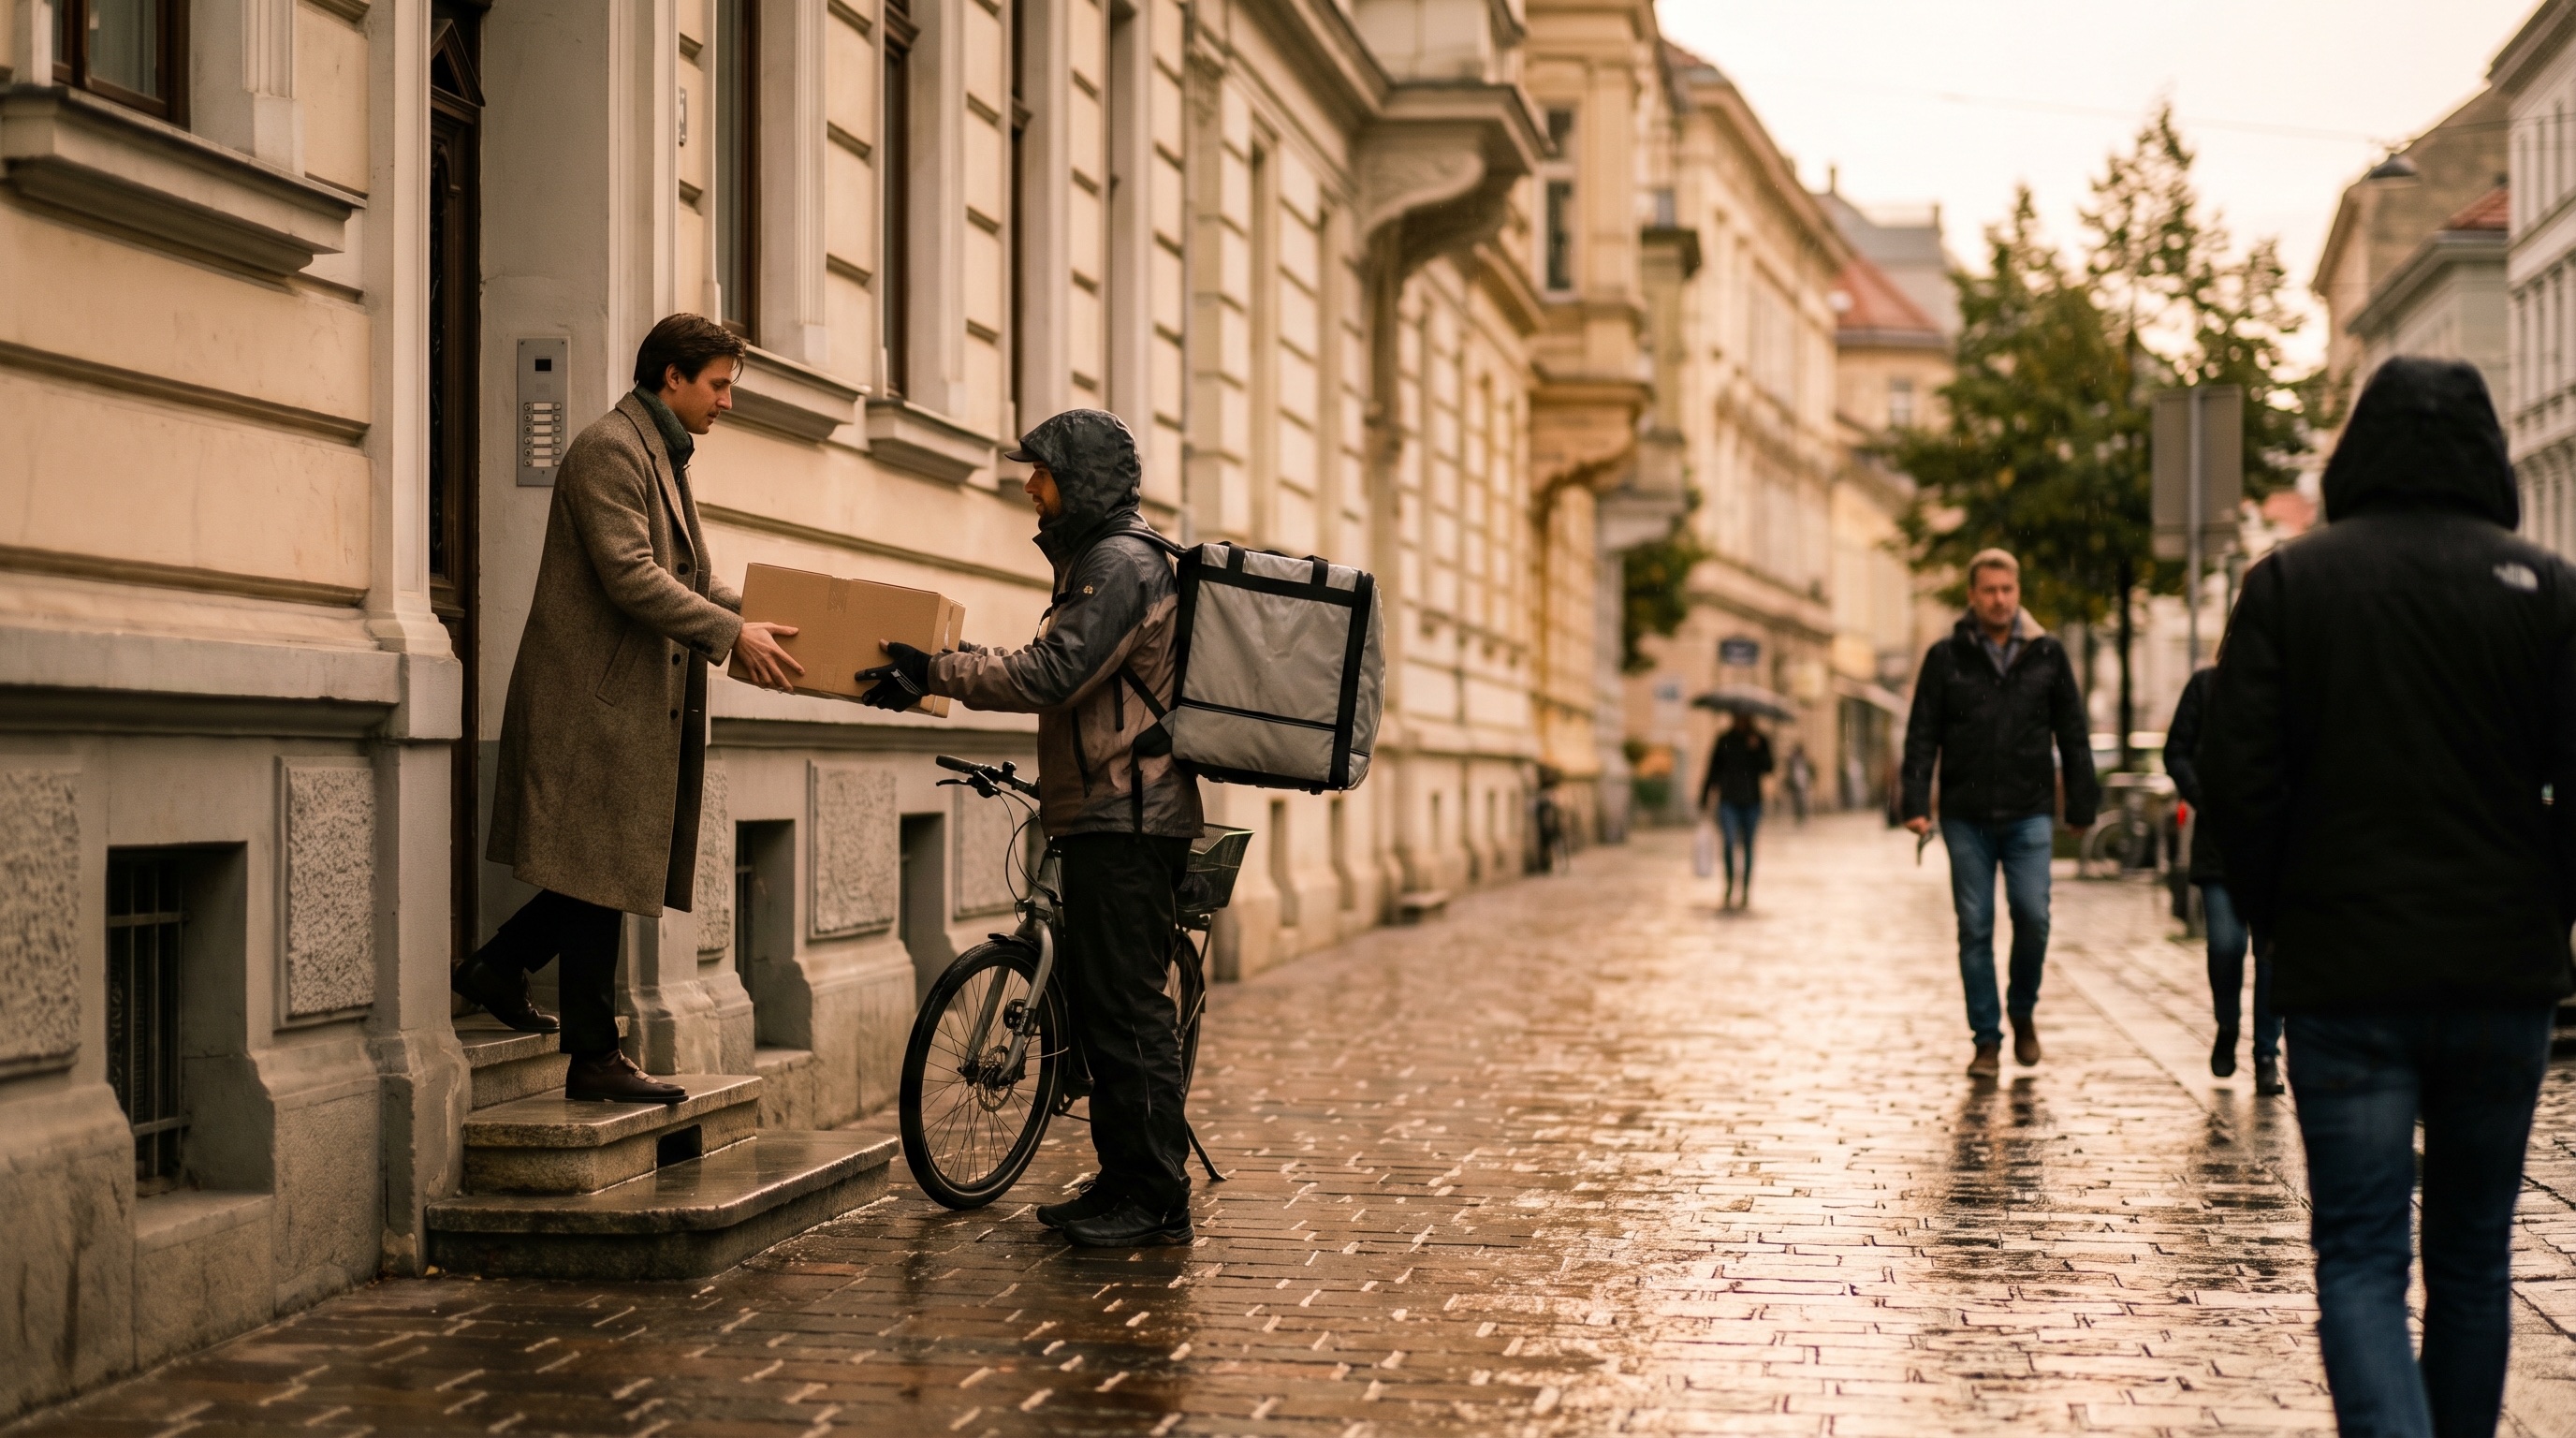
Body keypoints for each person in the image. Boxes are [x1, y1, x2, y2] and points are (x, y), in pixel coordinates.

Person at [2201, 358, 2576, 1438]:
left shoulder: (2288, 584)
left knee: (2360, 1254)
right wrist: (2548, 906)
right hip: (2499, 974)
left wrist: (2281, 911)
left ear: (2355, 451)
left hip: (2344, 969)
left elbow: (2240, 777)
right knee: (2472, 1257)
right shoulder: (2545, 589)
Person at [856, 408, 1205, 1249]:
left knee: (1128, 1016)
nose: (1028, 485)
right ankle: (1122, 1182)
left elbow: (1053, 673)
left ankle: (1155, 1199)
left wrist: (937, 670)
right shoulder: (1102, 562)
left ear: (1077, 479)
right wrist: (946, 663)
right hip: (1105, 813)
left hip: (1127, 817)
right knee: (1106, 1012)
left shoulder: (1120, 562)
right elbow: (1063, 669)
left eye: (1040, 471)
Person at [455, 314, 806, 1103]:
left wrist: (760, 613)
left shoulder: (661, 452)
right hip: (593, 702)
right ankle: (591, 1054)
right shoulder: (610, 449)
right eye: (718, 385)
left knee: (598, 872)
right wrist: (730, 634)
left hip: (622, 702)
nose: (727, 402)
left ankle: (500, 968)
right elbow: (631, 575)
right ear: (671, 378)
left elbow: (684, 574)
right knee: (600, 873)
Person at [1899, 548, 2097, 1078]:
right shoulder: (1947, 657)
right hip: (1966, 814)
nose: (2000, 599)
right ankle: (1986, 1040)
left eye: (2008, 589)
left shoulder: (2048, 654)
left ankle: (2023, 1011)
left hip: (2030, 810)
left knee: (2033, 916)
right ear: (1972, 596)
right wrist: (1915, 803)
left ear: (2018, 592)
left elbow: (2073, 733)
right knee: (1975, 926)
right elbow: (1922, 733)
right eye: (1989, 590)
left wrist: (2081, 802)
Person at [2163, 665, 2280, 1095]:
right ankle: (2227, 1023)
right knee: (2227, 945)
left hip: (2275, 844)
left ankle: (2267, 1053)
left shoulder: (2290, 681)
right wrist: (2205, 798)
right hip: (2220, 843)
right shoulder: (2206, 686)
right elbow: (2175, 751)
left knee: (2271, 954)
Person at [1698, 711, 1772, 909]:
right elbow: (1713, 769)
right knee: (1729, 843)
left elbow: (1769, 768)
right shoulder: (1724, 740)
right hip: (1728, 799)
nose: (1742, 720)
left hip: (1752, 802)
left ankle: (1746, 889)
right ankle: (1730, 885)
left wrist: (1756, 750)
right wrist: (1704, 798)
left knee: (1748, 845)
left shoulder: (1760, 740)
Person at [1784, 742, 1815, 824]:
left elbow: (1810, 771)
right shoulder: (1791, 761)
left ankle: (1802, 816)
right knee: (1796, 801)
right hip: (1795, 784)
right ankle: (1798, 816)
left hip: (1803, 783)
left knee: (1802, 801)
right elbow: (1788, 773)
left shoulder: (1805, 761)